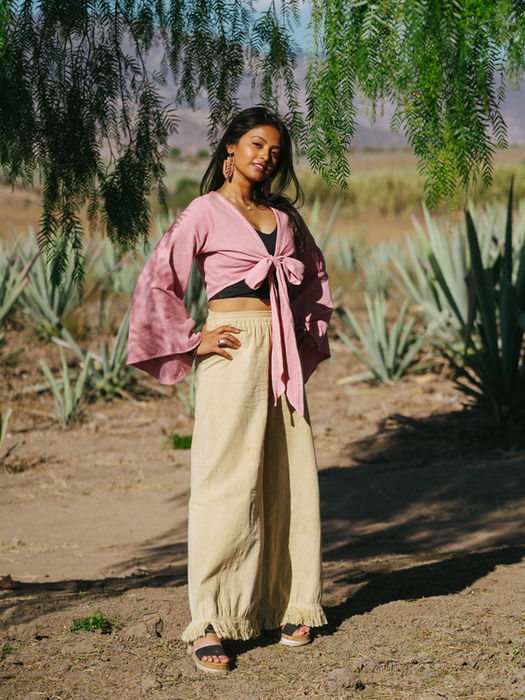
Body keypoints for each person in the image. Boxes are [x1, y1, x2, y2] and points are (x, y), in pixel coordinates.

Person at [127, 106, 333, 675]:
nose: (266, 156)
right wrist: (193, 342)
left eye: (275, 150)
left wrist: (300, 329)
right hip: (230, 349)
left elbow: (314, 275)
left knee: (286, 475)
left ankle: (291, 601)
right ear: (229, 152)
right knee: (224, 482)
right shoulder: (203, 212)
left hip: (280, 350)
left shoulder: (284, 218)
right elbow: (157, 278)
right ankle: (210, 619)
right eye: (256, 145)